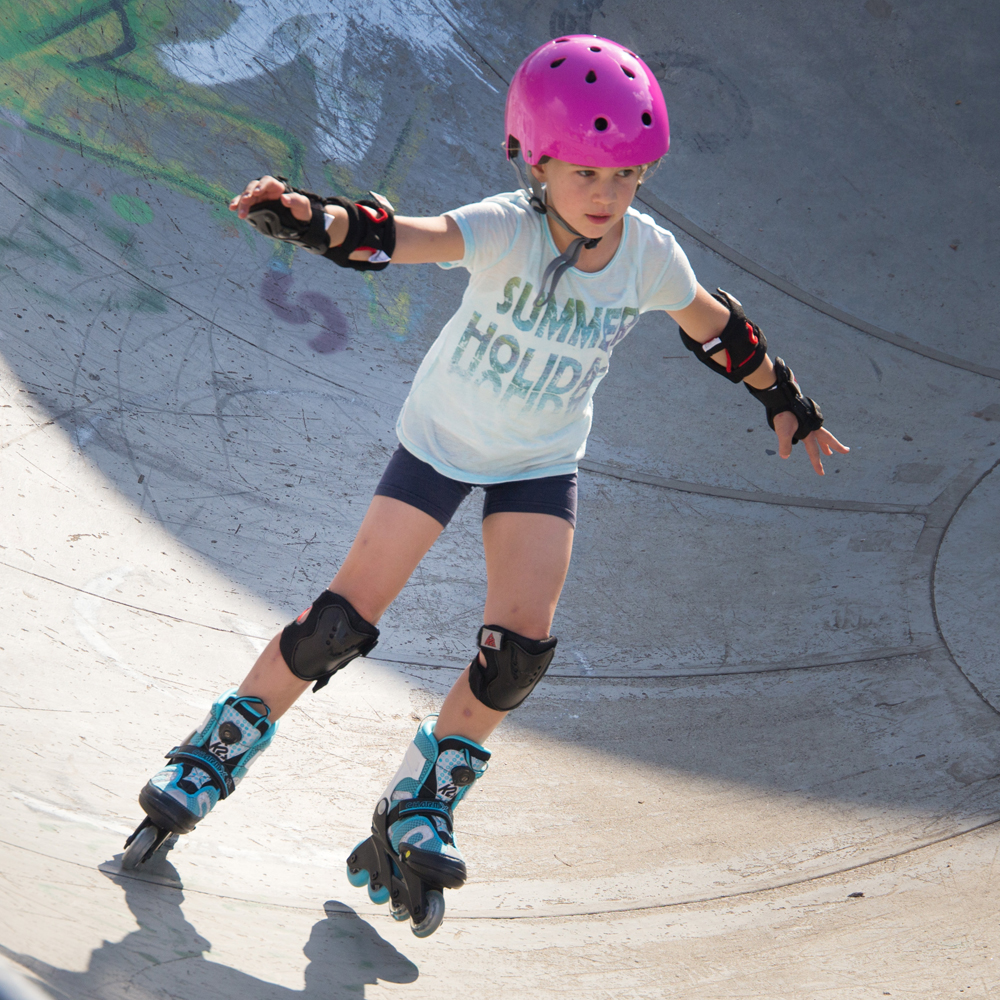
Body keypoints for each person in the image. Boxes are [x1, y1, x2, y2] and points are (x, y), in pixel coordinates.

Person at [123, 35, 849, 936]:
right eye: (587, 174)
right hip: (438, 447)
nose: (608, 196)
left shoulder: (648, 255)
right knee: (338, 622)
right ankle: (212, 754)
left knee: (519, 653)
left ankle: (421, 801)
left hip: (540, 461)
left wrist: (784, 399)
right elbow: (402, 237)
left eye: (628, 176)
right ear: (535, 162)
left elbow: (718, 329)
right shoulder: (506, 227)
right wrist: (312, 220)